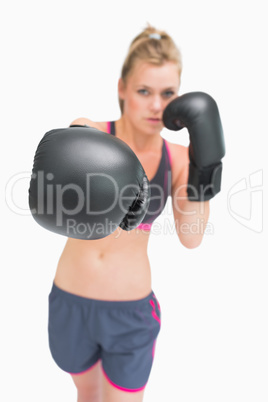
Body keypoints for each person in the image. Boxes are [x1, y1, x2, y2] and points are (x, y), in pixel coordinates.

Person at [48, 25, 217, 402]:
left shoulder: (177, 160)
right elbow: (74, 132)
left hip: (130, 313)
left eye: (168, 94)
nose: (157, 105)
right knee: (88, 395)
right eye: (144, 91)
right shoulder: (95, 133)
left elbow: (191, 238)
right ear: (122, 88)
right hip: (70, 301)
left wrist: (205, 169)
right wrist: (80, 148)